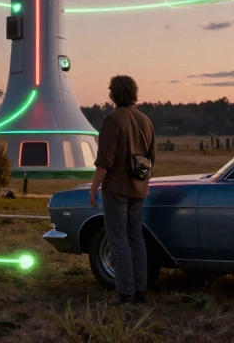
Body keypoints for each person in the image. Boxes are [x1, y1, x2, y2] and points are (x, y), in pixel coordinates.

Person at [89, 74, 156, 304]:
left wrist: (94, 185)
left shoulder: (112, 120)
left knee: (117, 238)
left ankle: (124, 291)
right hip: (139, 189)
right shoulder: (146, 121)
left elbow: (105, 160)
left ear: (113, 94)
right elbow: (152, 158)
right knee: (135, 236)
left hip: (116, 189)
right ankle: (140, 290)